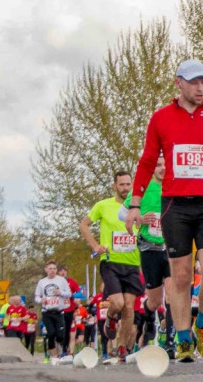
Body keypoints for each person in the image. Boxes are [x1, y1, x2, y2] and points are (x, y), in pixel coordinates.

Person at [124, 59, 203, 362]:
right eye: (194, 82)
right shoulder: (161, 118)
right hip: (175, 205)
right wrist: (136, 204)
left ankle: (202, 325)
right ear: (179, 83)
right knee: (179, 276)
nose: (201, 88)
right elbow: (147, 162)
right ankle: (182, 338)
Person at [80, 171, 143, 362]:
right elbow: (83, 225)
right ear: (114, 186)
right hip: (110, 262)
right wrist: (95, 246)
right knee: (118, 303)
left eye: (128, 184)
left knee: (129, 308)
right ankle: (109, 318)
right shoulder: (103, 205)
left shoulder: (138, 207)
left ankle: (122, 348)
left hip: (133, 263)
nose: (125, 188)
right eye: (122, 184)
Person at [121, 154, 175, 356]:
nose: (162, 168)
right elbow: (122, 213)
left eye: (165, 164)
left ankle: (169, 341)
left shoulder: (173, 185)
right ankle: (147, 317)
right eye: (158, 164)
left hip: (170, 249)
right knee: (154, 301)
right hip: (149, 248)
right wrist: (140, 219)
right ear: (152, 169)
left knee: (171, 293)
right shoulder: (143, 189)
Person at [34, 261, 72, 363]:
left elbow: (69, 294)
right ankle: (53, 356)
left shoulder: (62, 280)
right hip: (47, 311)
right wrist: (40, 300)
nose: (52, 271)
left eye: (54, 268)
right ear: (46, 269)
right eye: (50, 268)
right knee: (51, 333)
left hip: (59, 311)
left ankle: (60, 350)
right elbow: (37, 297)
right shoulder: (42, 282)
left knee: (60, 335)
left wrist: (61, 293)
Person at [57, 266, 81, 357]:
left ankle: (64, 350)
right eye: (61, 271)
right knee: (61, 329)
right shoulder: (56, 282)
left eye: (64, 271)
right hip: (59, 309)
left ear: (66, 272)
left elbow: (79, 292)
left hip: (70, 309)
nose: (63, 272)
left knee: (67, 330)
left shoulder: (71, 282)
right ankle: (61, 346)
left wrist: (72, 295)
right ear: (58, 273)